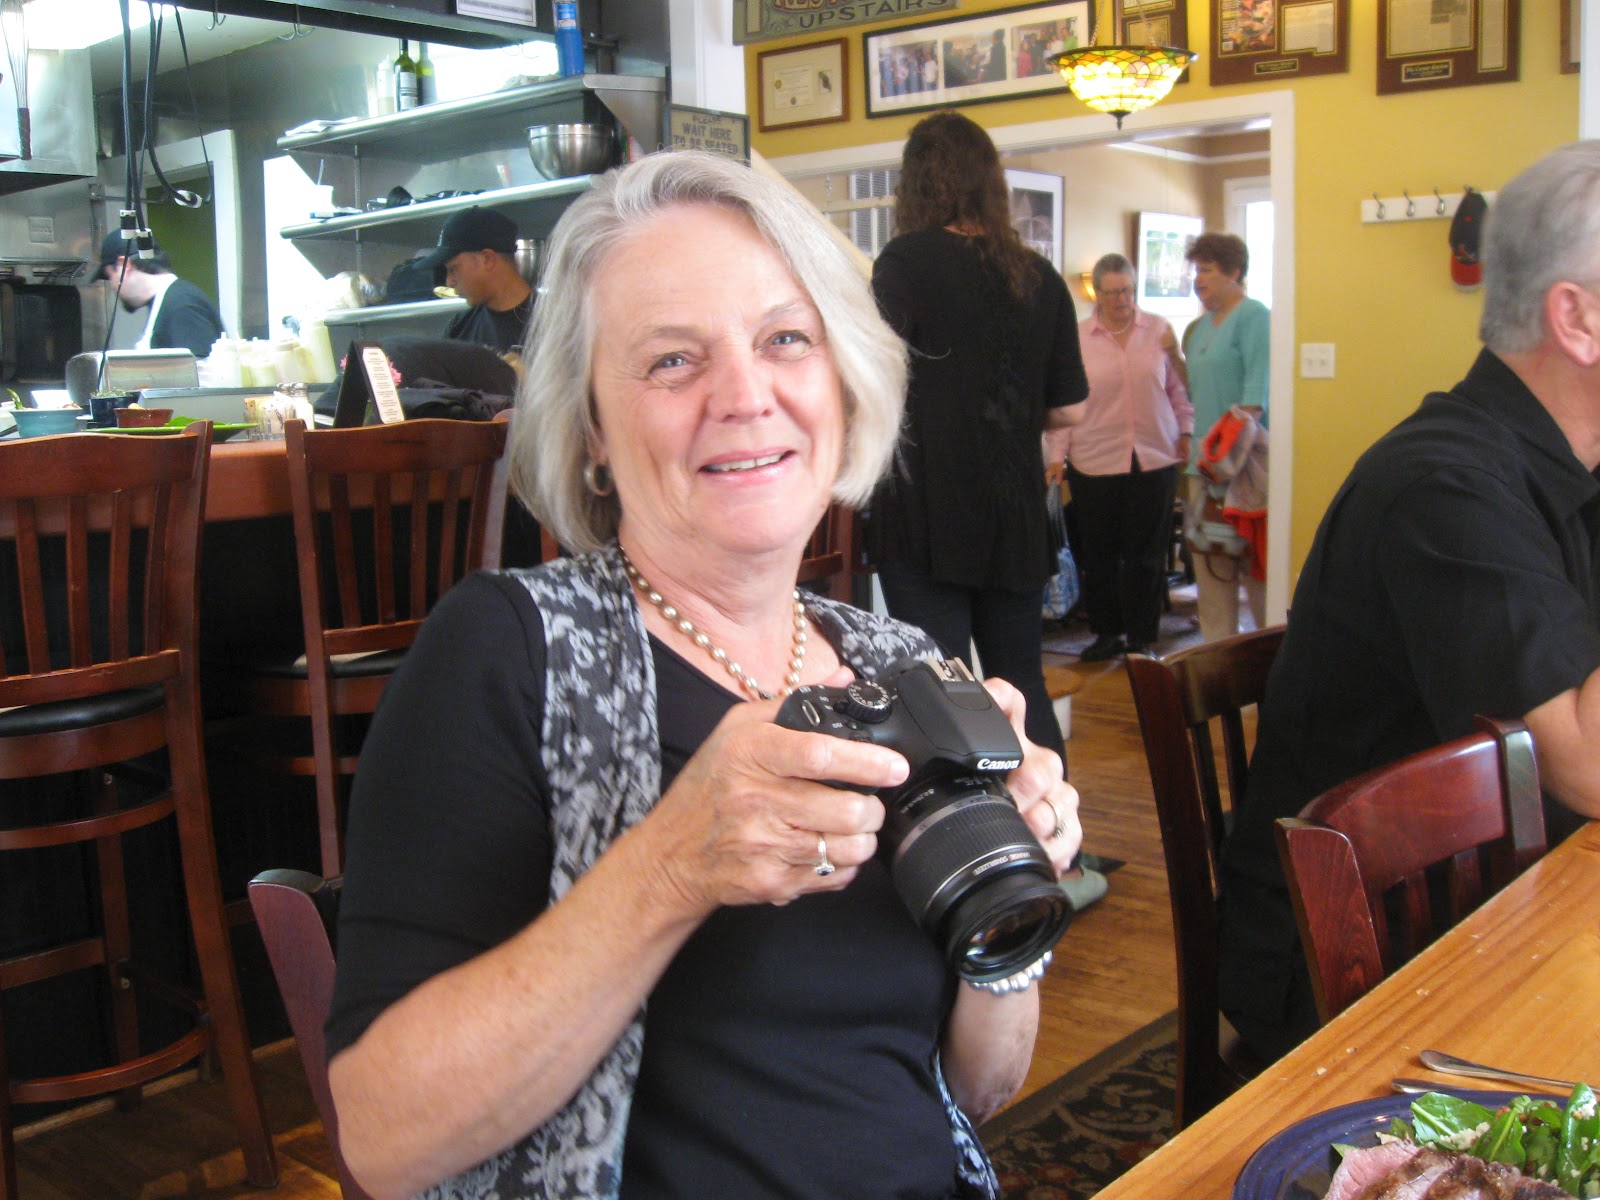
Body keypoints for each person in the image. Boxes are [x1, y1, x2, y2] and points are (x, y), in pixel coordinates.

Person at [324, 150, 1083, 1200]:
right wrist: (671, 868)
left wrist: (1013, 890)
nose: (744, 395)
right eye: (673, 360)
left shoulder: (901, 663)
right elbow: (381, 1138)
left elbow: (973, 1091)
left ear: (843, 381)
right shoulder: (508, 651)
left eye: (785, 339)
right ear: (592, 430)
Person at [1216, 140, 1600, 1063]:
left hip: (1498, 898)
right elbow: (1592, 767)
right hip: (1356, 964)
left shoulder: (1564, 465)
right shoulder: (1444, 486)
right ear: (1579, 319)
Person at [866, 110, 1088, 761]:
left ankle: (971, 824)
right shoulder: (1038, 275)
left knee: (941, 693)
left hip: (925, 513)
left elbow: (872, 380)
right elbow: (1069, 410)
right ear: (990, 183)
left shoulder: (904, 263)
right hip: (1012, 512)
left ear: (915, 183)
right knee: (1022, 683)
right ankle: (1053, 819)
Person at [1047, 253, 1192, 663]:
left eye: (1126, 290)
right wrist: (1056, 455)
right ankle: (1107, 633)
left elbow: (1179, 391)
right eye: (1110, 292)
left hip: (1155, 456)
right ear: (1098, 293)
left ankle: (1142, 637)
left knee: (1146, 555)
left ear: (1134, 287)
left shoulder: (1159, 331)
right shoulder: (1078, 338)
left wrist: (1185, 431)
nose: (1120, 300)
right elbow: (1066, 402)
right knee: (1101, 554)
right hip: (1095, 457)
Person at [1182, 231, 1270, 641]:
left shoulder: (1255, 317)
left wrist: (1224, 461)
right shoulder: (1198, 328)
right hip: (1201, 465)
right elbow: (1194, 394)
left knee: (1253, 568)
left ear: (1233, 272)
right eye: (1196, 270)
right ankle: (1217, 660)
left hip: (1243, 464)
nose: (1198, 279)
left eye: (1206, 270)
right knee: (1211, 565)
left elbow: (1255, 398)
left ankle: (1267, 659)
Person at [416, 205, 535, 353]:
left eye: (453, 269)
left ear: (487, 259)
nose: (449, 282)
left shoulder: (552, 320)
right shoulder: (458, 329)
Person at [96, 231, 225, 358]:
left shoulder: (182, 304)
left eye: (109, 276)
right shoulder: (169, 301)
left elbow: (200, 368)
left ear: (124, 265)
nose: (112, 286)